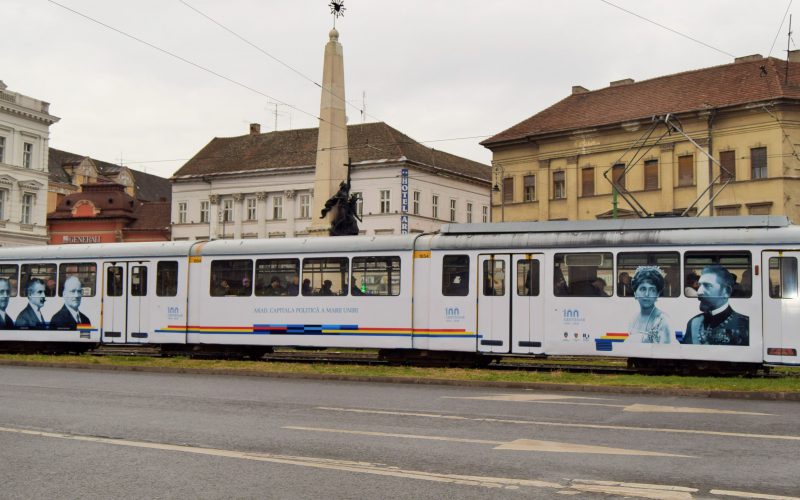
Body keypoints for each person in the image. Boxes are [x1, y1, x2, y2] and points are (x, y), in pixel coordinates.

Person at [681, 265, 749, 345]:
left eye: (707, 286)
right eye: (699, 285)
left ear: (726, 291)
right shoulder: (693, 323)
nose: (699, 292)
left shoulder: (745, 325)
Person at [628, 266, 671, 343]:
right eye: (643, 289)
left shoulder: (663, 320)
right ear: (635, 293)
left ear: (657, 294)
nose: (647, 294)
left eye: (652, 290)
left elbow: (666, 352)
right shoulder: (633, 319)